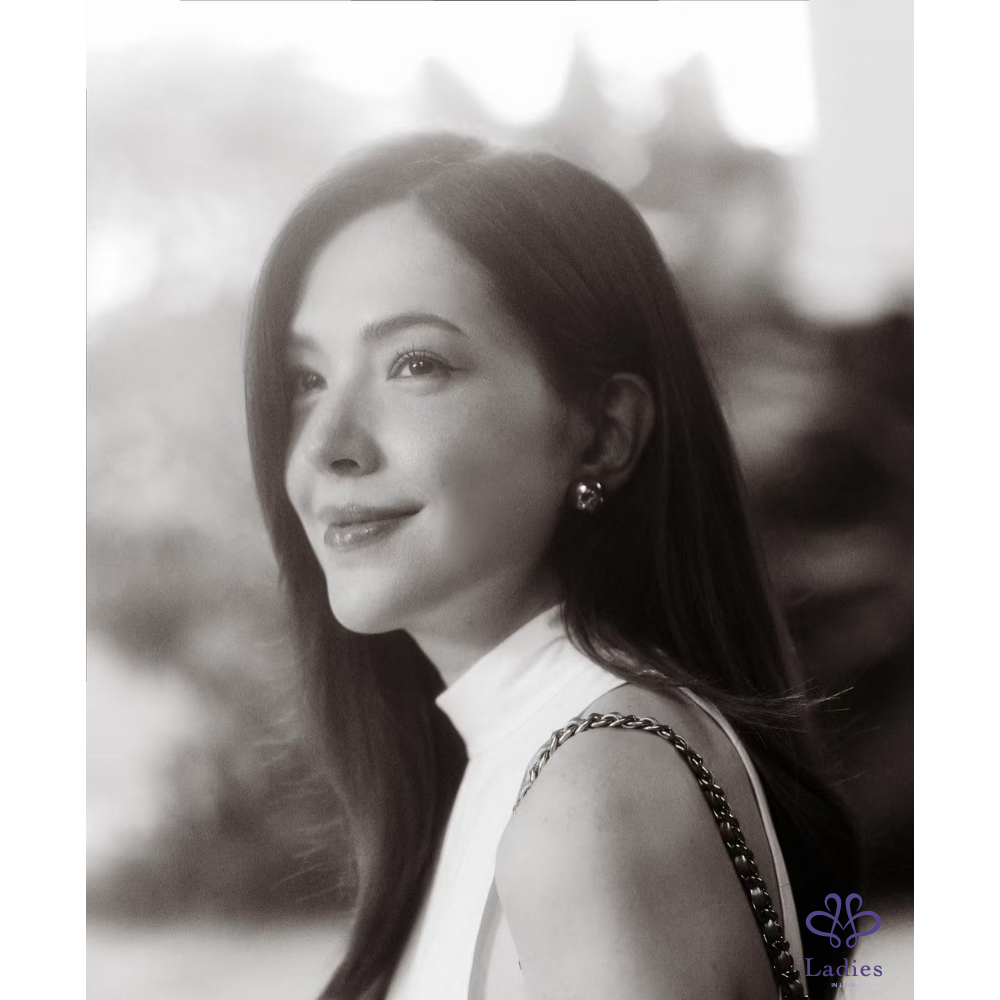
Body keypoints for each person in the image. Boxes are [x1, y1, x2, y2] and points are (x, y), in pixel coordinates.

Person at [244, 132, 862, 1000]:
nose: (326, 444)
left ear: (603, 432)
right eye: (306, 379)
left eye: (416, 364)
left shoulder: (594, 800)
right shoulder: (531, 761)